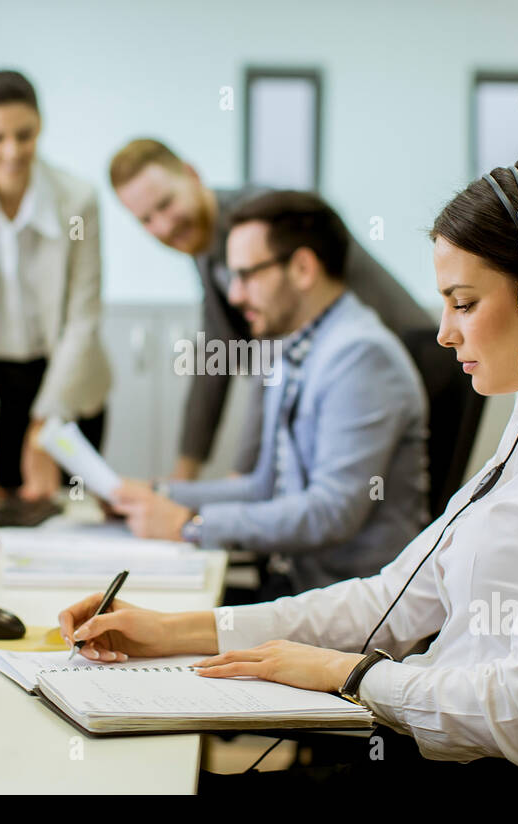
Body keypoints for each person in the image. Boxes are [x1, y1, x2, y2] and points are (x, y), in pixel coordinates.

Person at [60, 153, 518, 793]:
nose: (443, 334)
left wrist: (349, 675)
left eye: (465, 303)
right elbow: (388, 599)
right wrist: (173, 629)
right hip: (416, 741)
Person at [112, 191, 428, 598]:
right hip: (299, 589)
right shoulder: (291, 348)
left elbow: (331, 513)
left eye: (247, 275)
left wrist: (191, 525)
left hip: (351, 603)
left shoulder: (361, 356)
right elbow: (265, 485)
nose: (235, 295)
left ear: (301, 268)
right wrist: (158, 496)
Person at [109, 138, 433, 480]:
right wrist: (183, 478)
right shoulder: (206, 245)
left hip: (408, 368)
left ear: (192, 174)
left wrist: (236, 482)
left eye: (166, 204)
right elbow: (217, 356)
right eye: (146, 219)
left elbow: (274, 358)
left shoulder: (260, 224)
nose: (163, 226)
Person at [0, 70, 110, 502]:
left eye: (24, 135)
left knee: (61, 515)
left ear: (40, 126)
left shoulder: (78, 200)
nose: (12, 151)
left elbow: (82, 320)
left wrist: (46, 428)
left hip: (67, 383)